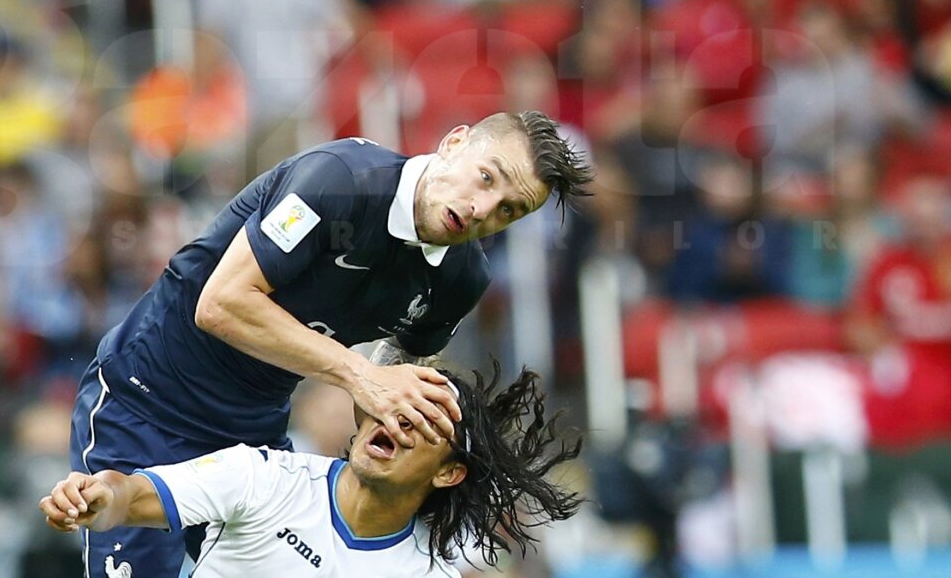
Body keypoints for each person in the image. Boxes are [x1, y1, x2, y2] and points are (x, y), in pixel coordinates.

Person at [69, 110, 592, 576]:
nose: (482, 208)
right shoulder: (341, 182)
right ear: (454, 142)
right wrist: (359, 375)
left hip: (251, 439)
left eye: (508, 210)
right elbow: (220, 305)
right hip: (145, 405)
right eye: (486, 178)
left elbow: (396, 383)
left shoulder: (460, 279)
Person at [46, 365, 581, 576]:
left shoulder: (430, 572)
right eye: (398, 404)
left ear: (449, 473)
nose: (401, 419)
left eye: (426, 421)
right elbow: (130, 494)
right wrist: (96, 499)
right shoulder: (260, 477)